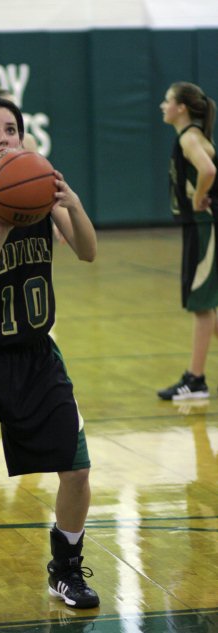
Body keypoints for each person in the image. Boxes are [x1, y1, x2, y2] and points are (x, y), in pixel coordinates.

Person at [0, 96, 99, 622]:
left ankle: (65, 570)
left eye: (11, 129)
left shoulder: (40, 193)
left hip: (34, 356)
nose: (2, 138)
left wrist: (70, 202)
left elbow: (89, 252)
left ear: (23, 139)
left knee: (76, 472)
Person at [158, 82, 218, 401]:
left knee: (202, 306)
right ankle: (195, 378)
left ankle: (196, 380)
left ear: (181, 107)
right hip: (198, 227)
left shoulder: (190, 138)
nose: (162, 105)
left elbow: (207, 169)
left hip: (203, 226)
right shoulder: (190, 137)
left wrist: (199, 200)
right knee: (205, 306)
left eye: (167, 101)